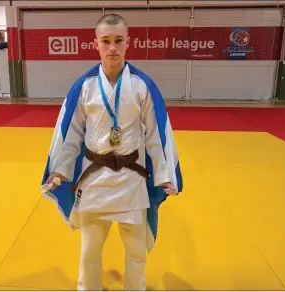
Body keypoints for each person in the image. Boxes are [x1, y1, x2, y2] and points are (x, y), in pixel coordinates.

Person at [41, 13, 183, 290]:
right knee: (90, 250)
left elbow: (156, 133)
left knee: (136, 250)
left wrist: (165, 174)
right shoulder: (85, 86)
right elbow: (70, 132)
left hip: (132, 179)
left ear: (128, 42)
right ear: (96, 44)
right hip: (94, 179)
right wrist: (60, 169)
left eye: (118, 40)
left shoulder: (142, 85)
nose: (112, 48)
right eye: (106, 41)